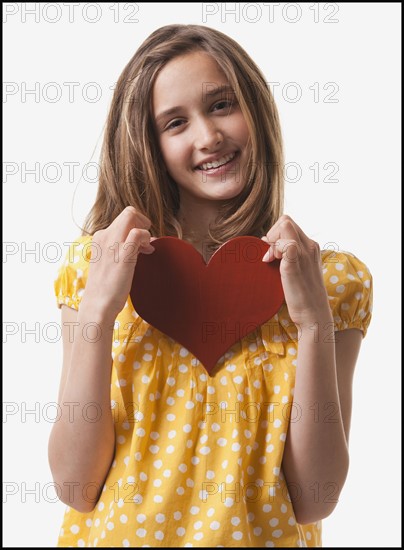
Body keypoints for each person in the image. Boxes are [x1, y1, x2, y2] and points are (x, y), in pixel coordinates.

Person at [48, 24, 373, 548]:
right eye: (175, 123)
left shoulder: (331, 282)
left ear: (255, 111)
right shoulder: (96, 268)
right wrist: (99, 314)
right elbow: (74, 485)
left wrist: (314, 323)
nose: (208, 136)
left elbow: (316, 497)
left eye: (222, 105)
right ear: (147, 144)